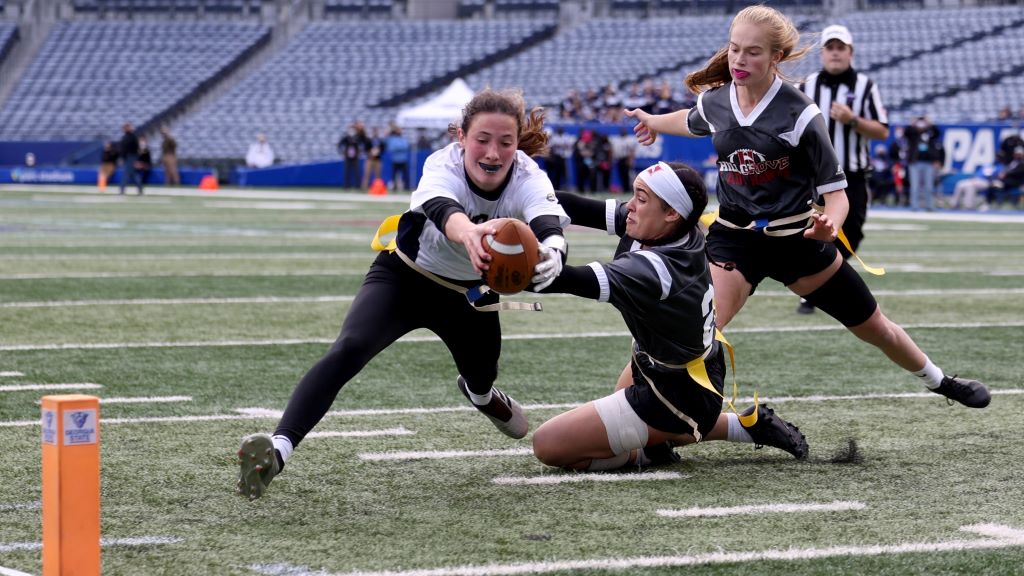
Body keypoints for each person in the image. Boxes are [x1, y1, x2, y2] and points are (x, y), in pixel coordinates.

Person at [624, 5, 989, 413]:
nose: (740, 60)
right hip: (734, 240)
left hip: (797, 239)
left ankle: (942, 382)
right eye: (734, 49)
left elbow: (837, 193)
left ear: (777, 57)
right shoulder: (718, 101)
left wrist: (830, 225)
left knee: (875, 327)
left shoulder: (801, 113)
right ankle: (621, 411)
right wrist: (653, 121)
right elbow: (693, 119)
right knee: (685, 331)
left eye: (753, 52)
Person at [236, 88, 571, 500]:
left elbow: (547, 219)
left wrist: (553, 249)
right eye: (482, 138)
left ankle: (480, 396)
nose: (493, 151)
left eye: (506, 141)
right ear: (461, 137)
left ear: (517, 144)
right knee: (349, 348)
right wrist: (469, 233)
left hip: (468, 295)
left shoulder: (527, 175)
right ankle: (278, 452)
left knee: (482, 376)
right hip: (405, 278)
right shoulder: (440, 163)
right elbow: (442, 209)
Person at [532, 163, 807, 471]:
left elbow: (556, 279)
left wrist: (492, 264)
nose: (630, 207)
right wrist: (514, 199)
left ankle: (651, 453)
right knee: (621, 418)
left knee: (548, 445)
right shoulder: (670, 225)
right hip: (670, 363)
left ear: (671, 213)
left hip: (679, 391)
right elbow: (566, 204)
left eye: (641, 198)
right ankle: (746, 425)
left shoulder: (659, 269)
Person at [795, 24, 889, 314]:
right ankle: (811, 290)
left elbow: (882, 131)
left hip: (854, 175)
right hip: (815, 177)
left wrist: (852, 120)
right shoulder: (805, 86)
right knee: (814, 231)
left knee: (854, 233)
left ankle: (819, 281)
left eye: (841, 48)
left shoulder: (865, 86)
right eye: (830, 48)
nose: (835, 53)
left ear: (850, 52)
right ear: (822, 53)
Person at [903, 115, 944, 211]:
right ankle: (914, 206)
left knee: (929, 186)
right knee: (915, 186)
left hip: (928, 162)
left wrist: (931, 123)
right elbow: (906, 133)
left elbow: (938, 133)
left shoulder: (930, 133)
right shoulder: (913, 134)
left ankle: (929, 206)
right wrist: (911, 124)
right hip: (915, 162)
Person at [337, 122, 366, 189]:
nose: (351, 131)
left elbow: (363, 143)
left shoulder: (357, 137)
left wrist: (360, 152)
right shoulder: (346, 137)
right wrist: (342, 152)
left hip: (355, 157)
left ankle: (358, 185)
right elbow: (339, 144)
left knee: (357, 171)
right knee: (347, 171)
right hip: (347, 156)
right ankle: (346, 185)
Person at [384, 125, 411, 191]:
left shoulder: (403, 139)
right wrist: (400, 147)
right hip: (395, 160)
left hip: (403, 160)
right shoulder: (392, 139)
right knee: (394, 175)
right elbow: (391, 148)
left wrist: (398, 147)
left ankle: (406, 187)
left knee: (405, 175)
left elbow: (406, 146)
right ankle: (394, 187)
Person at [119, 122, 141, 195]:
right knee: (133, 174)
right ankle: (139, 189)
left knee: (126, 174)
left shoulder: (131, 137)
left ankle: (122, 190)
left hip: (130, 157)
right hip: (130, 157)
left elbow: (126, 148)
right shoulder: (128, 137)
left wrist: (123, 157)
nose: (124, 129)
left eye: (125, 127)